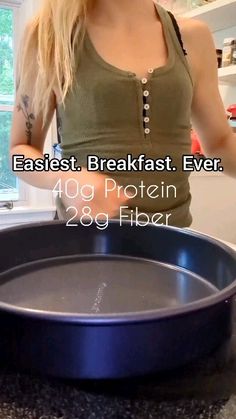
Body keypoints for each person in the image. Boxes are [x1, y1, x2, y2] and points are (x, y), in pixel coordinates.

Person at [10, 0, 236, 227]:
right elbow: (20, 152)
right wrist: (64, 178)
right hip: (87, 243)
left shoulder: (192, 36)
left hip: (172, 244)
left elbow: (220, 142)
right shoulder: (49, 35)